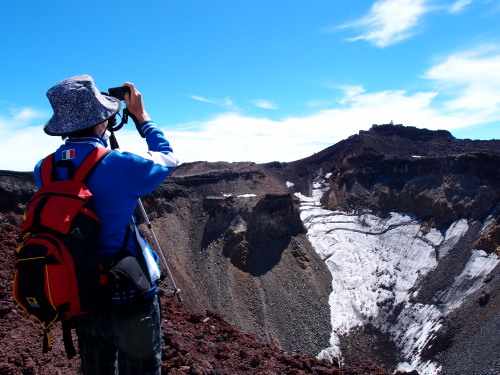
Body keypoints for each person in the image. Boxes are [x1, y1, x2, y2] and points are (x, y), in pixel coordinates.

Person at [35, 74, 179, 374]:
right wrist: (142, 118)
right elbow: (168, 158)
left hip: (82, 294)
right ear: (102, 119)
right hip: (129, 295)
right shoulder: (119, 164)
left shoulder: (43, 169)